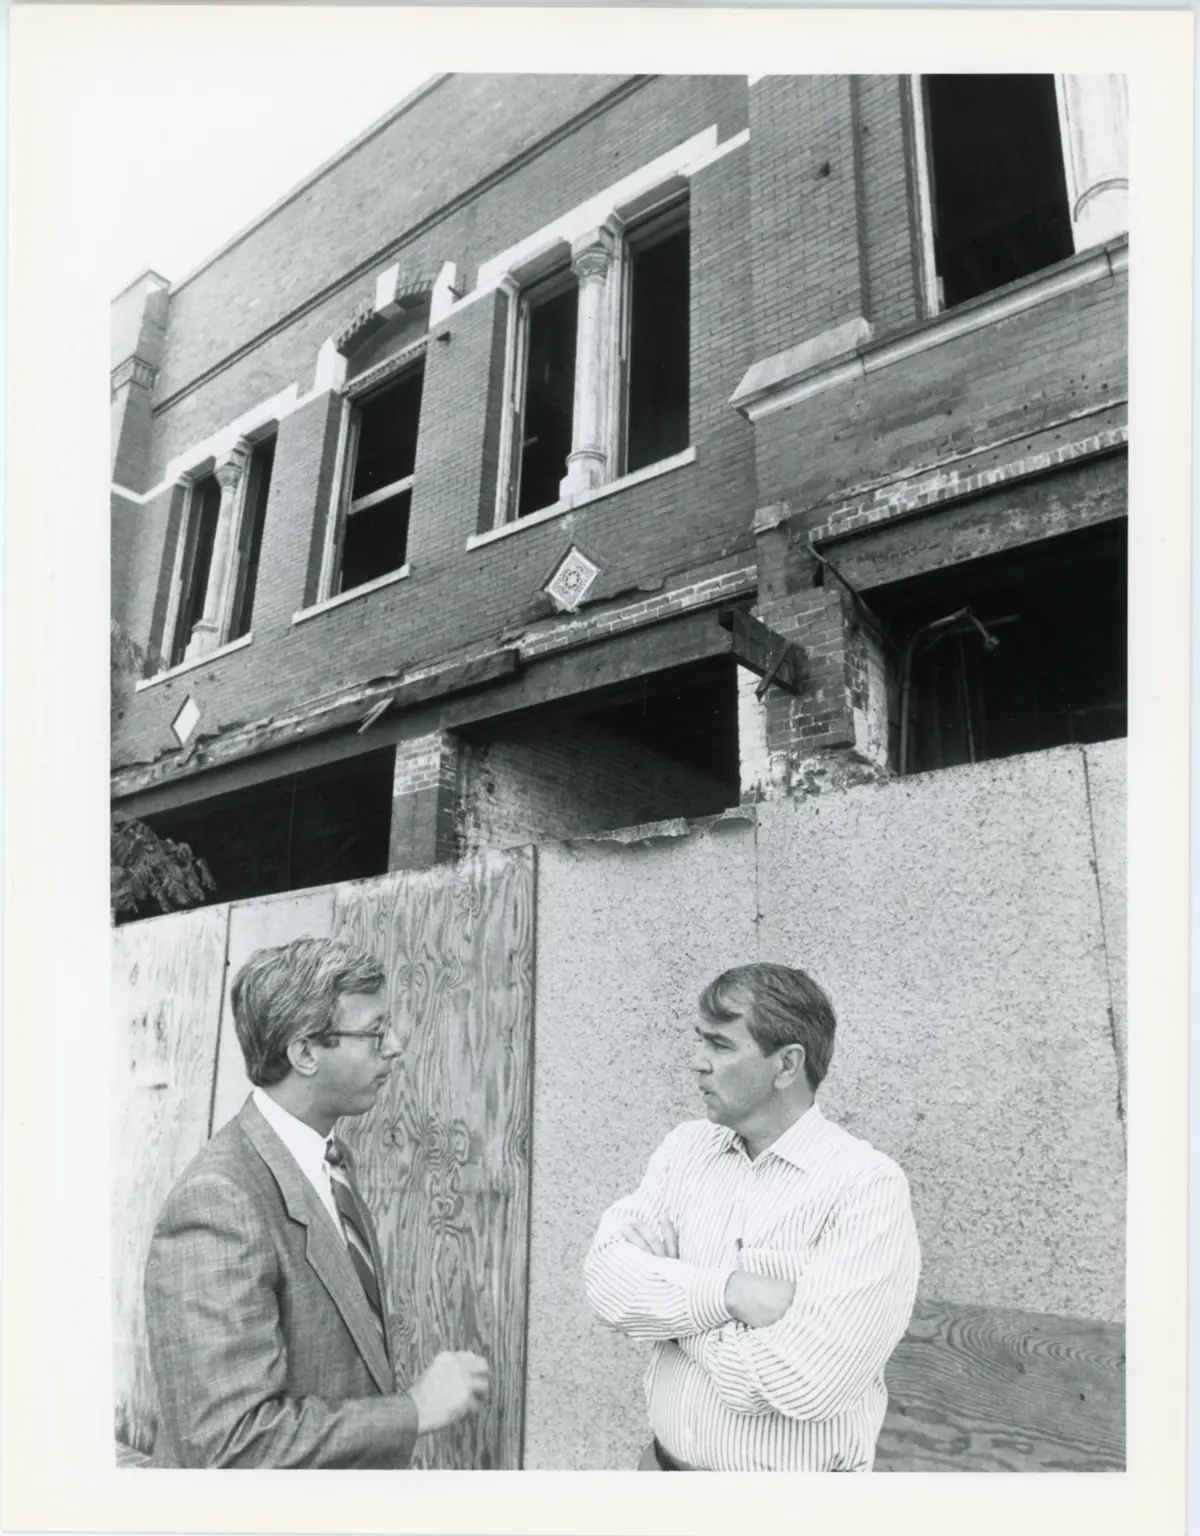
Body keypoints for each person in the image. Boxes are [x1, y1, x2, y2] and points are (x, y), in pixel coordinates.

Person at [143, 937, 489, 1468]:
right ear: (305, 1053)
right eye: (374, 1033)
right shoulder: (218, 1201)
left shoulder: (328, 1160)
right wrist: (415, 1410)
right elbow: (229, 1447)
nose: (395, 1045)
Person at [583, 962, 920, 1472]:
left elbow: (807, 1380)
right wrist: (729, 1294)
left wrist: (675, 1322)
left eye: (720, 1045)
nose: (698, 1063)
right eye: (701, 1042)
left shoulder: (864, 1187)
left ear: (786, 1066)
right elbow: (606, 1282)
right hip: (661, 1480)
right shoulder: (686, 1149)